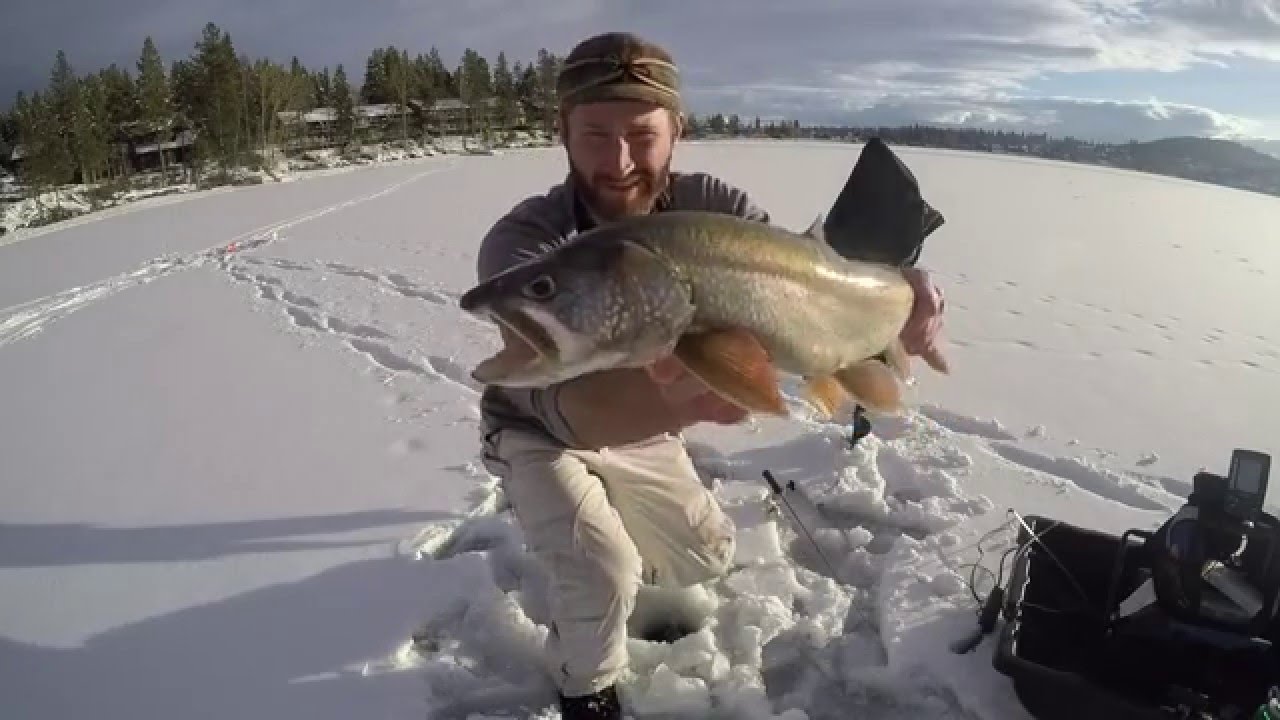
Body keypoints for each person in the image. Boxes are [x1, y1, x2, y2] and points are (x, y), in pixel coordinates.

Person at [472, 31, 946, 719]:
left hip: (648, 428)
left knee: (704, 558)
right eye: (596, 135)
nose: (620, 160)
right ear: (562, 133)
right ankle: (586, 687)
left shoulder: (711, 206)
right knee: (603, 570)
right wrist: (688, 392)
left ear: (677, 130)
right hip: (537, 427)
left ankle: (603, 516)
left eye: (642, 134)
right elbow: (572, 401)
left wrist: (897, 291)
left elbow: (804, 285)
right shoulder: (527, 246)